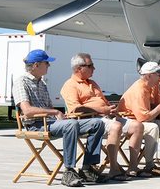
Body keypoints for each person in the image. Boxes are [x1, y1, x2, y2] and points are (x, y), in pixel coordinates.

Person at [11, 49, 106, 187]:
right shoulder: (21, 82)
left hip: (50, 122)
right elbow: (27, 110)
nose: (49, 66)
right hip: (36, 125)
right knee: (71, 125)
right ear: (36, 65)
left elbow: (49, 109)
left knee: (97, 123)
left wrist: (62, 116)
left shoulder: (41, 83)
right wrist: (55, 113)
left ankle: (87, 168)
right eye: (46, 63)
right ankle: (69, 171)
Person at [60, 53, 143, 181]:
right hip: (89, 121)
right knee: (116, 126)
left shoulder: (92, 83)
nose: (94, 68)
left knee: (137, 126)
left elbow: (104, 101)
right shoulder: (70, 85)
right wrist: (101, 110)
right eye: (91, 65)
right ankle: (113, 169)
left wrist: (111, 109)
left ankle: (132, 167)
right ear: (78, 68)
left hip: (106, 117)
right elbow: (75, 109)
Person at [117, 61, 160, 175]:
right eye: (157, 74)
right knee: (153, 127)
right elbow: (143, 118)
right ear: (149, 76)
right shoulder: (139, 89)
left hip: (139, 119)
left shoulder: (148, 87)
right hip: (129, 121)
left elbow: (149, 112)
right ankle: (149, 164)